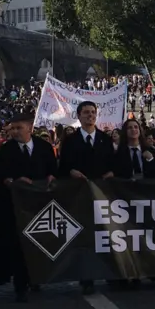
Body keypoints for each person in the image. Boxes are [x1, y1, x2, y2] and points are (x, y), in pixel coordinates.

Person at [0, 113, 58, 302]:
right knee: (19, 245)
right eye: (12, 128)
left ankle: (36, 278)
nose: (14, 132)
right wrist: (11, 181)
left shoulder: (44, 147)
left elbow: (53, 170)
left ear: (30, 128)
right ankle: (20, 284)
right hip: (16, 207)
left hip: (40, 205)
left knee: (39, 242)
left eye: (18, 128)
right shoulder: (5, 150)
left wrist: (51, 178)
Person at [58, 101, 115, 295]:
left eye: (93, 112)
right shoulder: (71, 141)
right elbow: (63, 167)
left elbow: (114, 165)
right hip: (80, 197)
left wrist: (110, 174)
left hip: (102, 197)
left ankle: (110, 273)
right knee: (85, 237)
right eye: (86, 113)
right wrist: (71, 171)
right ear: (79, 116)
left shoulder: (105, 140)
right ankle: (87, 277)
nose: (90, 116)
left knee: (106, 236)